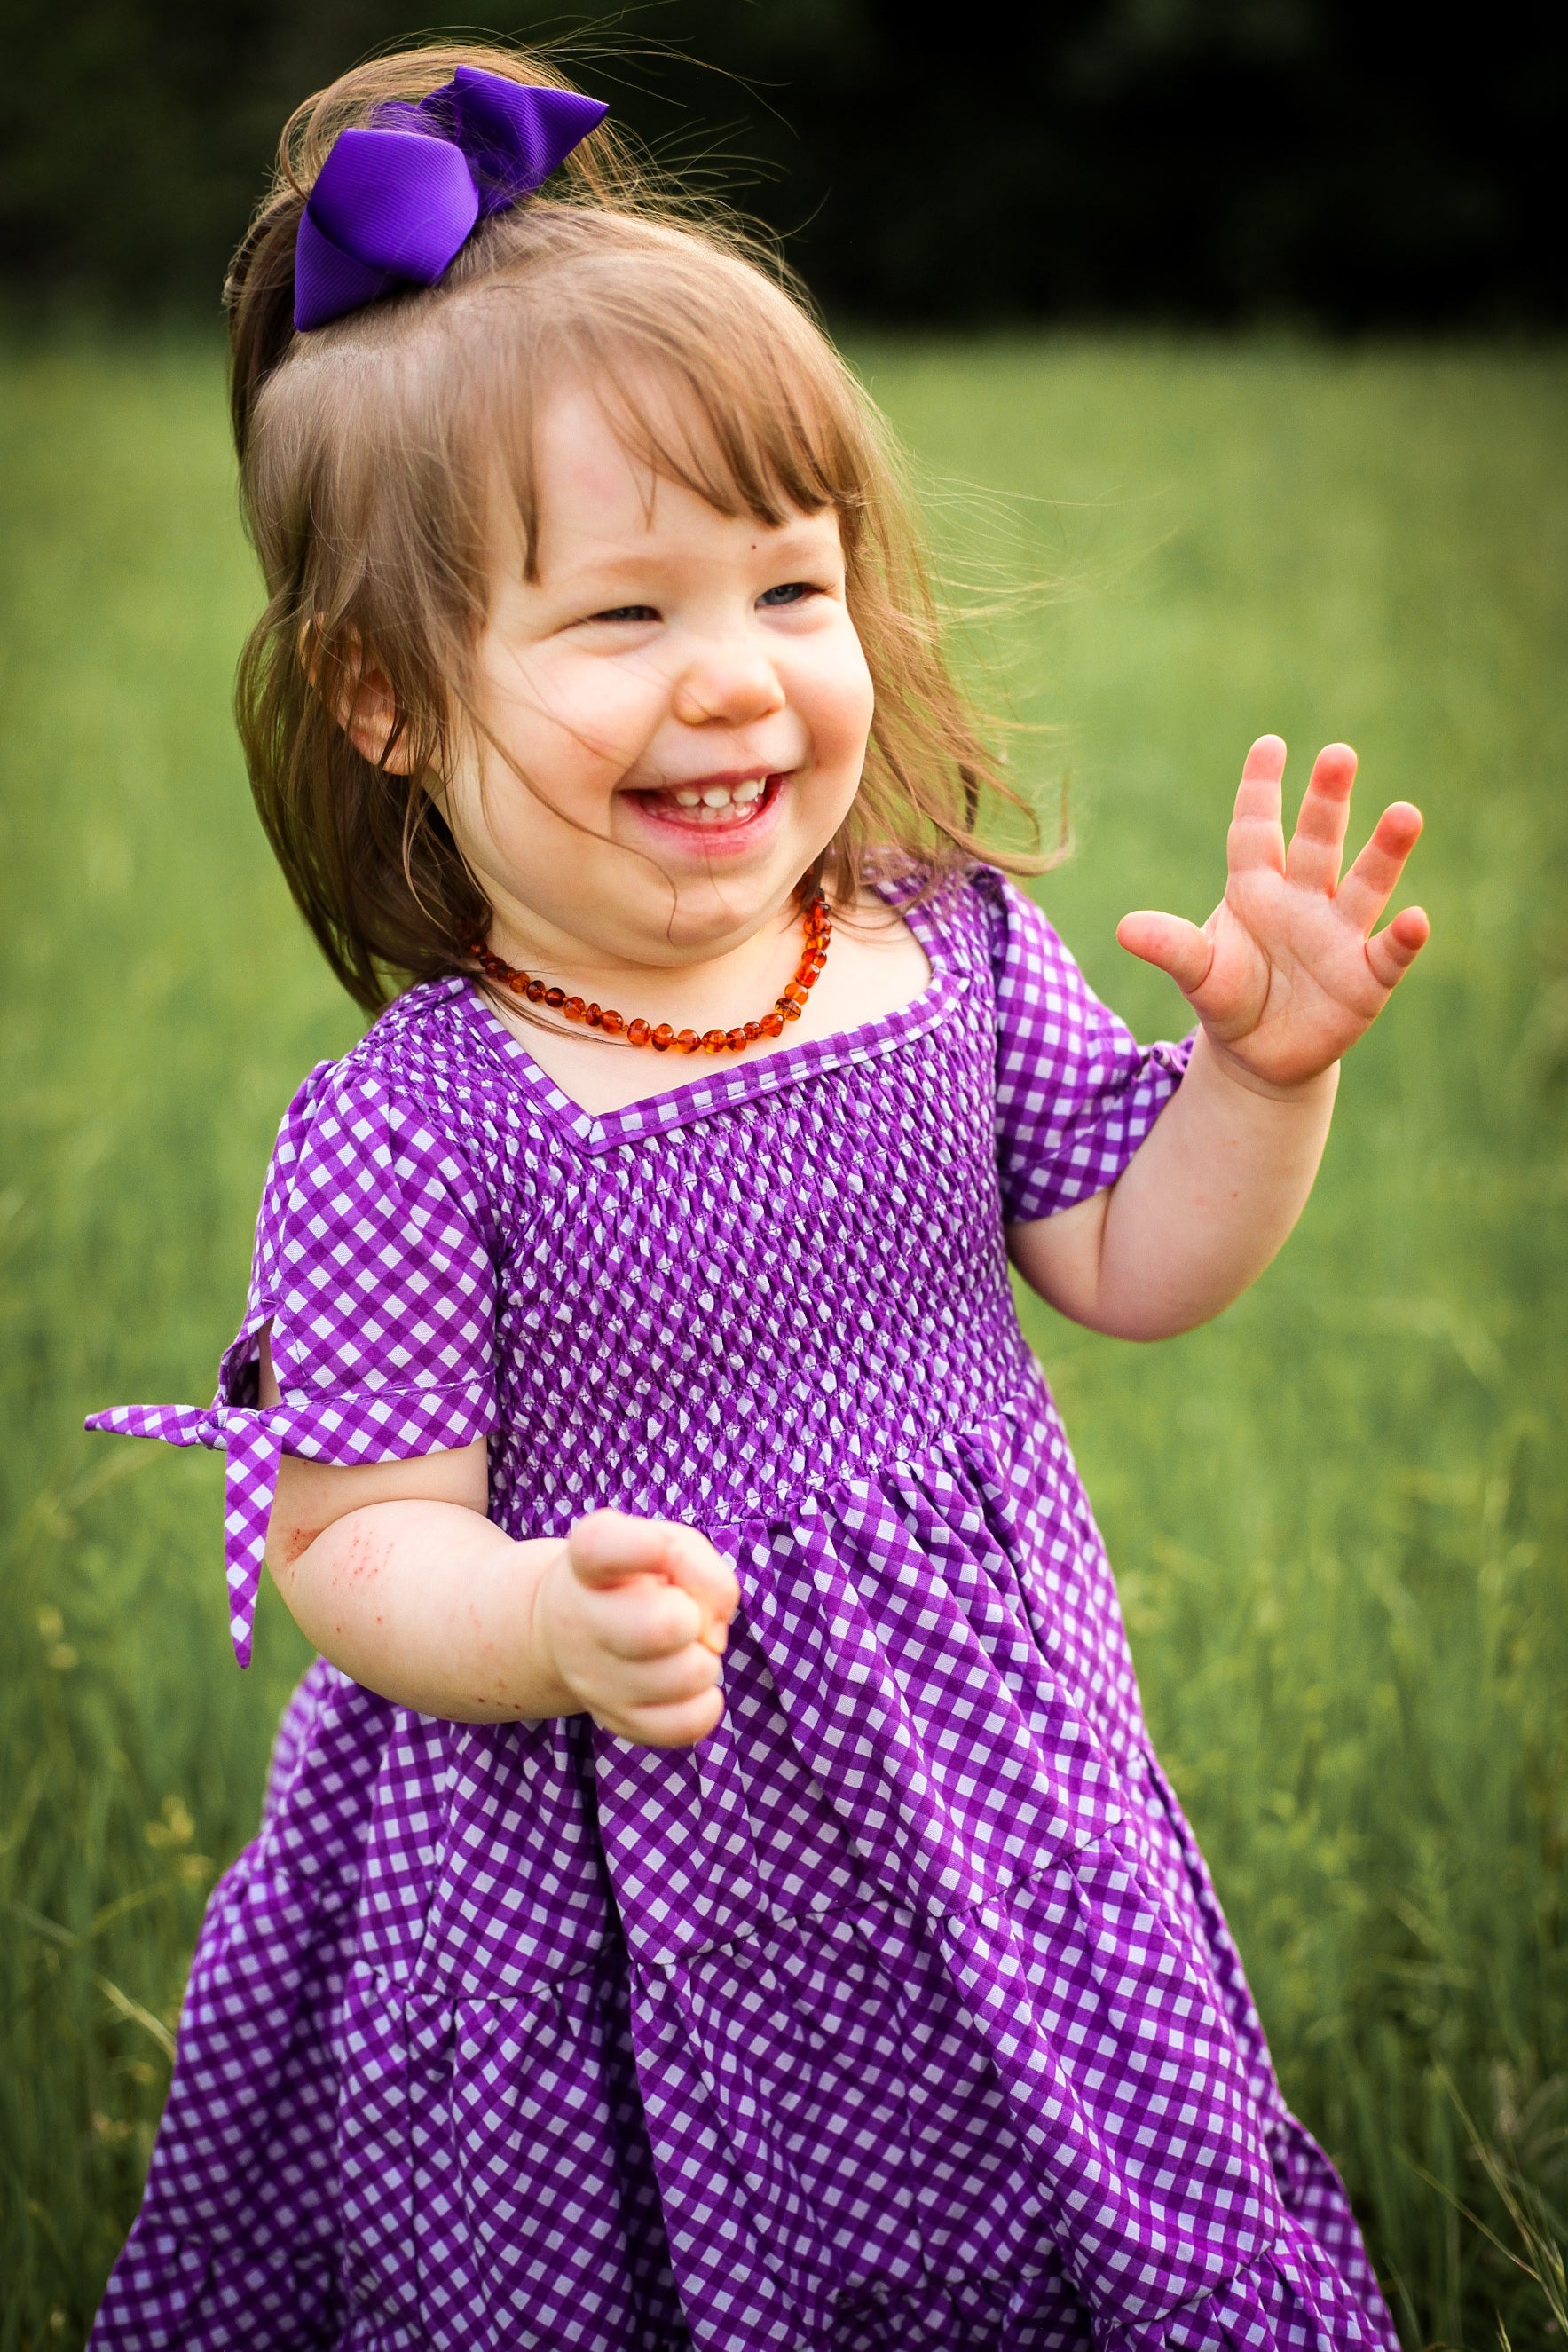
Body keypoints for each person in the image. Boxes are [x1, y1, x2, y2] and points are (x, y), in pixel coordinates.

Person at [84, 42, 1430, 2352]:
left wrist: (1261, 1077)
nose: (737, 681)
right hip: (588, 1868)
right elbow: (349, 1531)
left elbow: (1137, 1256)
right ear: (386, 694)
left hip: (993, 1817)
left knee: (1071, 2198)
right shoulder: (422, 1125)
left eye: (790, 588)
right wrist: (538, 1624)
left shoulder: (952, 950)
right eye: (620, 621)